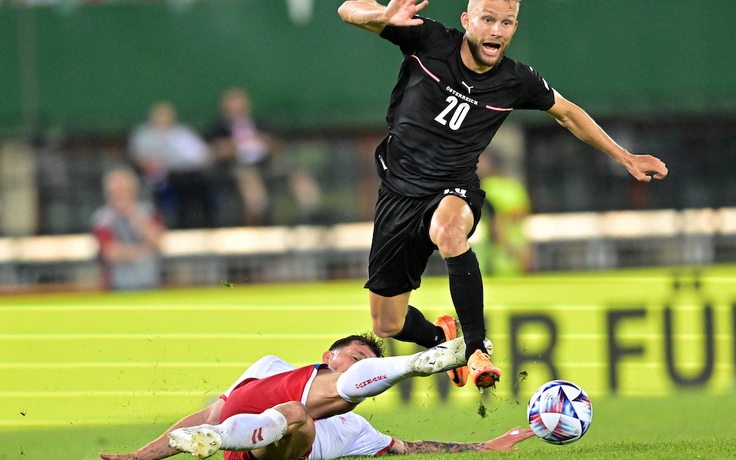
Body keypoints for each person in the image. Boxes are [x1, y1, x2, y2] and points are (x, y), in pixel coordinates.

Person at [336, 0, 668, 389]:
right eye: (488, 20)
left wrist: (624, 156)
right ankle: (443, 339)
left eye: (506, 22)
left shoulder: (517, 80)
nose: (496, 30)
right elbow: (347, 9)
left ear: (514, 28)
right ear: (467, 21)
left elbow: (567, 112)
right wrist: (380, 17)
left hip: (454, 188)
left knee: (449, 231)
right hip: (397, 192)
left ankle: (476, 351)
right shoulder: (429, 40)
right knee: (388, 324)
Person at [99, 334, 519, 460]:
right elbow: (208, 411)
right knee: (282, 409)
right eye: (353, 358)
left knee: (299, 414)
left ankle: (420, 363)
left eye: (363, 365)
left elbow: (409, 448)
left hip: (272, 453)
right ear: (328, 356)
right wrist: (139, 457)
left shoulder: (355, 426)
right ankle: (423, 361)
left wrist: (484, 446)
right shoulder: (267, 365)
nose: (356, 366)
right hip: (236, 434)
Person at [207, 87, 321, 226]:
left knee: (296, 172)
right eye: (232, 109)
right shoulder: (219, 129)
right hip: (238, 168)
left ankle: (312, 216)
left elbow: (277, 145)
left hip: (266, 164)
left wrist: (262, 141)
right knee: (249, 179)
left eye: (240, 108)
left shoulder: (259, 124)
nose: (236, 112)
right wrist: (231, 147)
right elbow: (214, 151)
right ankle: (257, 223)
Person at [129, 101, 213, 229]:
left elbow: (203, 155)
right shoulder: (144, 135)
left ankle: (205, 224)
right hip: (162, 176)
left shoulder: (182, 134)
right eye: (159, 116)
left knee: (202, 185)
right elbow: (139, 158)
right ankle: (170, 226)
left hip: (188, 175)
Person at [91, 167, 165, 291]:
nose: (120, 194)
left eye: (124, 190)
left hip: (150, 281)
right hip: (117, 285)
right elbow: (109, 251)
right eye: (116, 190)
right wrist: (141, 250)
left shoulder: (148, 212)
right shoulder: (102, 218)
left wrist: (133, 214)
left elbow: (157, 241)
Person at [477, 150, 533, 276]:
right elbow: (522, 224)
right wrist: (526, 254)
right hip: (519, 256)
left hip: (496, 259)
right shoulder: (516, 187)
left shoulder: (487, 188)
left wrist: (512, 251)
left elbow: (495, 225)